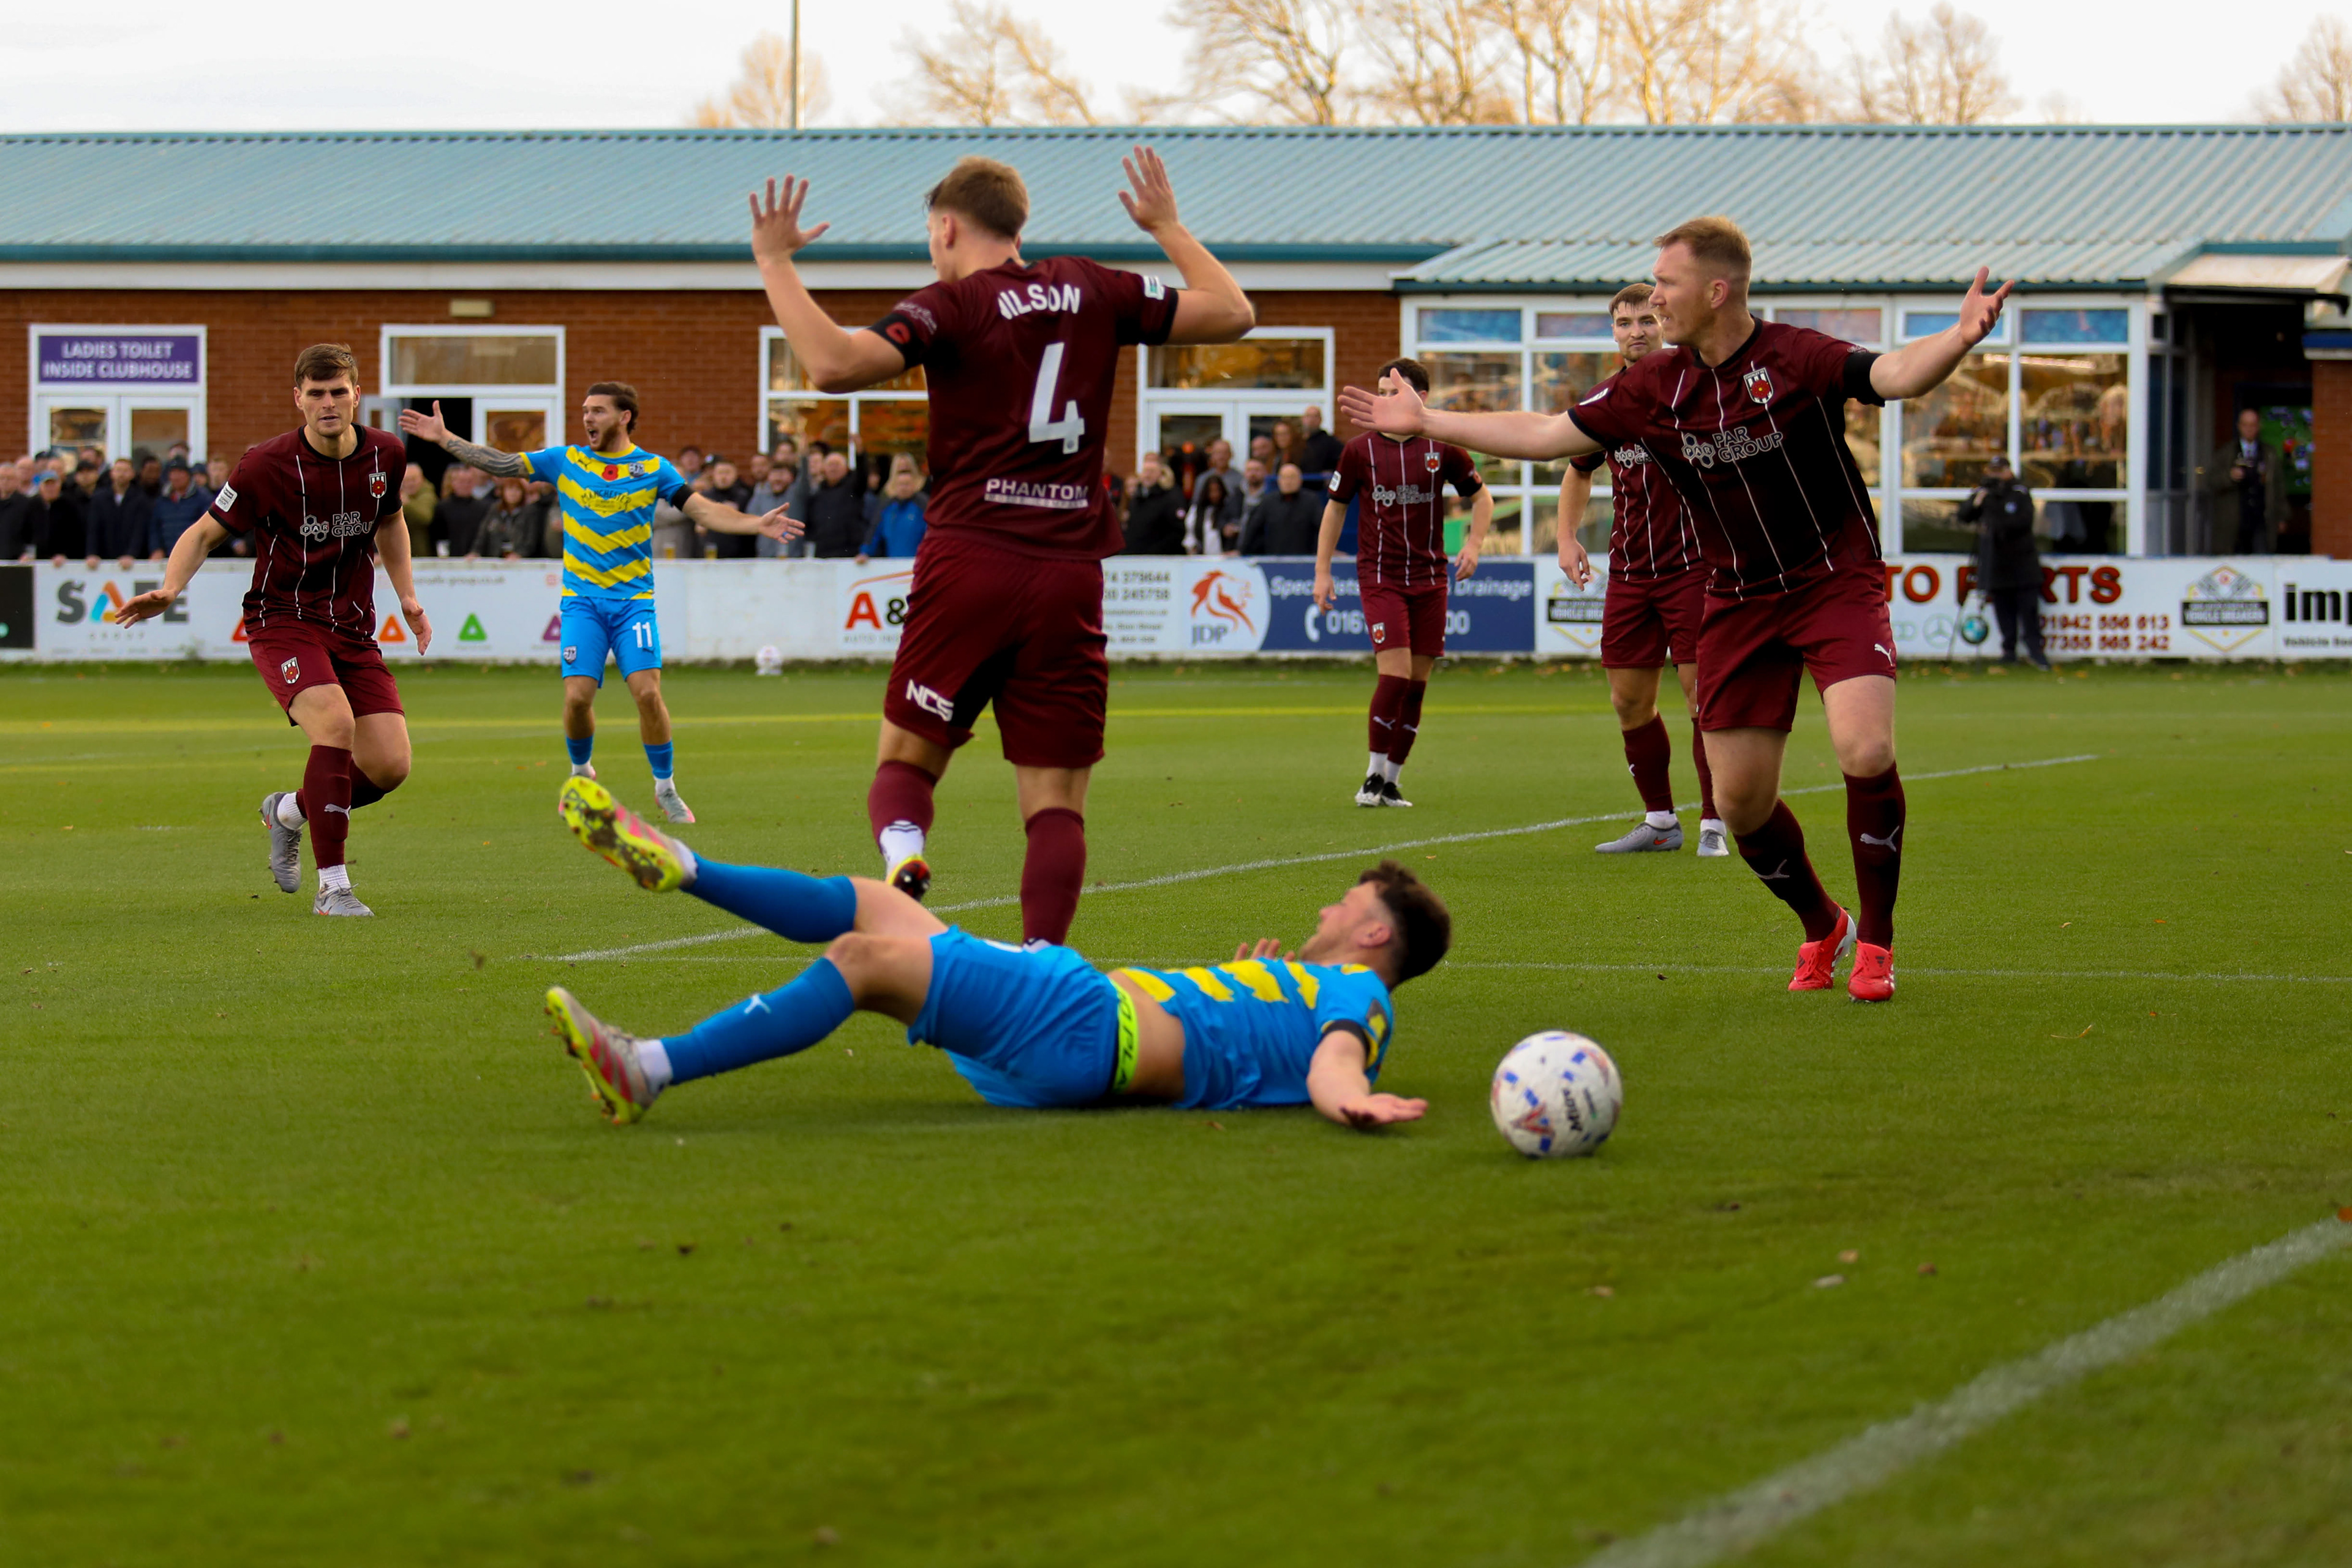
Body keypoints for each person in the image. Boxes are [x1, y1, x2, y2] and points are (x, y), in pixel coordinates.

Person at [1341, 215, 2011, 1003]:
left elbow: (1894, 374)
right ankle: (1822, 924)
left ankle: (1879, 943)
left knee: (1863, 748)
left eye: (1666, 284)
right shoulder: (1653, 384)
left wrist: (1960, 337)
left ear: (1716, 290)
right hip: (1733, 596)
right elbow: (1549, 431)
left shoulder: (1796, 356)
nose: (1652, 297)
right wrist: (1429, 420)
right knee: (1740, 802)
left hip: (1834, 579)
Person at [748, 146, 1254, 942]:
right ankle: (1042, 961)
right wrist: (1167, 226)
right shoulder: (1095, 288)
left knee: (906, 760)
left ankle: (905, 850)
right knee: (1055, 800)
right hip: (1068, 574)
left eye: (929, 234)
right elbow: (1233, 313)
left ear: (947, 227)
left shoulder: (954, 305)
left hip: (972, 559)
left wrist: (775, 262)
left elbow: (831, 363)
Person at [545, 776, 1446, 1129]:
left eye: (1349, 902)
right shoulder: (1313, 982)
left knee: (862, 959)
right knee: (871, 902)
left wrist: (1356, 1103)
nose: (1330, 905)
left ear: (1375, 936)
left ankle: (648, 1069)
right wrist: (1255, 983)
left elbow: (1336, 1060)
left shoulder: (1360, 1001)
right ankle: (684, 867)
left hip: (1089, 1025)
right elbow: (1280, 1041)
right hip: (1083, 1026)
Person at [115, 343, 432, 918]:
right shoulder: (264, 464)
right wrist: (170, 588)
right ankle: (333, 886)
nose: (328, 403)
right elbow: (204, 532)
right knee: (334, 724)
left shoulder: (388, 453)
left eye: (339, 391)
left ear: (357, 395)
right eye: (316, 394)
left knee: (389, 766)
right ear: (299, 399)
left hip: (352, 628)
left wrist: (407, 595)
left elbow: (392, 522)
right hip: (282, 621)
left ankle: (288, 811)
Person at [400, 382, 797, 824]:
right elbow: (505, 463)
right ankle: (581, 773)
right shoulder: (566, 460)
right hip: (582, 603)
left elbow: (702, 510)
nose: (588, 419)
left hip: (633, 603)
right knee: (577, 699)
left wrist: (754, 524)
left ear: (625, 416)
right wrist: (446, 439)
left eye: (598, 412)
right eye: (585, 411)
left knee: (647, 693)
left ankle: (665, 786)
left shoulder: (652, 468)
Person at [1559, 283, 1727, 858]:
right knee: (1630, 701)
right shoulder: (1606, 400)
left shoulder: (1700, 387)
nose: (1636, 330)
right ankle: (1660, 821)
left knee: (1704, 696)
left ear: (1665, 322)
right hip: (1630, 572)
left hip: (1695, 569)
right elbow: (1578, 469)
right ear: (1614, 332)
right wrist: (1566, 537)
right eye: (1624, 322)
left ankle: (1714, 822)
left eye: (1646, 320)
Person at [1316, 359, 1491, 809]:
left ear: (1421, 399)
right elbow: (1335, 508)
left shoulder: (1442, 446)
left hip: (1431, 579)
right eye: (1379, 391)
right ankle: (1372, 776)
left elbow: (1481, 496)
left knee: (1416, 685)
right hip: (1381, 576)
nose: (1383, 399)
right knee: (1393, 678)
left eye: (1392, 392)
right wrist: (1322, 572)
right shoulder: (1359, 450)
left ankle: (1392, 781)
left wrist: (1473, 546)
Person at [1958, 453, 2045, 668]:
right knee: (2003, 610)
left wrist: (1995, 514)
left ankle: (2036, 652)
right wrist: (1978, 502)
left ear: (2009, 471)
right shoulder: (1983, 492)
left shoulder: (2019, 492)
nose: (1997, 476)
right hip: (1995, 562)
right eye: (1993, 471)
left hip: (2022, 561)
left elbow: (2022, 522)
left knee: (2029, 610)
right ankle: (2009, 651)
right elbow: (1964, 516)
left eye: (2000, 471)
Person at [2206, 407, 2286, 555]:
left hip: (2261, 520)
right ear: (2239, 426)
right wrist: (2230, 477)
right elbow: (2211, 481)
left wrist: (2281, 516)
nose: (2249, 429)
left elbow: (2278, 486)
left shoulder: (2269, 454)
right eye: (2245, 425)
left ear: (2259, 427)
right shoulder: (2227, 452)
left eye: (2253, 425)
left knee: (2262, 562)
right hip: (2234, 523)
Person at [1238, 462, 1321, 555]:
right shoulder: (1269, 501)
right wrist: (1242, 551)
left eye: (1292, 477)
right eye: (1284, 477)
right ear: (1279, 481)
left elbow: (1322, 528)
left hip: (1304, 558)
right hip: (1274, 558)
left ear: (1300, 480)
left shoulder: (1311, 501)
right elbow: (1253, 529)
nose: (1288, 481)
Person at [797, 450, 869, 558]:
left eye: (837, 465)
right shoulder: (816, 494)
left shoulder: (854, 489)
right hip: (822, 554)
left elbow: (862, 475)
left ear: (846, 469)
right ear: (824, 469)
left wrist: (860, 454)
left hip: (849, 553)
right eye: (830, 465)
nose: (833, 468)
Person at [88, 456, 154, 564]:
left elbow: (139, 530)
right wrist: (92, 554)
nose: (121, 474)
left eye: (126, 471)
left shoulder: (140, 499)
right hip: (104, 559)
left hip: (131, 561)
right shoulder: (99, 498)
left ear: (132, 474)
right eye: (118, 470)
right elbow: (94, 529)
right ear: (112, 473)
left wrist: (131, 554)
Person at [1121, 451, 1187, 554]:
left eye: (1151, 472)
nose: (1147, 475)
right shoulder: (1137, 497)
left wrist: (1154, 551)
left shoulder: (1170, 496)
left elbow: (1177, 531)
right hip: (1136, 557)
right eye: (1145, 471)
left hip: (1160, 558)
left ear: (1160, 474)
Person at [859, 464, 929, 560]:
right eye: (901, 484)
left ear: (914, 485)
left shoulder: (923, 505)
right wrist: (865, 552)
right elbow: (874, 532)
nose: (904, 488)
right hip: (893, 565)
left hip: (920, 562)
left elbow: (931, 534)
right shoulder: (886, 507)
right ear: (895, 486)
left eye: (907, 484)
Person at [149, 459, 211, 554]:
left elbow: (207, 527)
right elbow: (155, 528)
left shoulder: (203, 498)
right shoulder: (162, 500)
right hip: (167, 557)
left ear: (188, 475)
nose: (176, 477)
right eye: (173, 473)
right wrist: (156, 549)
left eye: (180, 473)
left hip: (194, 556)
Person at [474, 475, 542, 560]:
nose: (513, 493)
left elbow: (531, 539)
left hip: (520, 561)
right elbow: (483, 534)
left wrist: (520, 554)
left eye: (517, 490)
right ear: (503, 492)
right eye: (510, 489)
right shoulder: (495, 510)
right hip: (495, 558)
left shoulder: (530, 512)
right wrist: (475, 552)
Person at [434, 466, 492, 558]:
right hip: (450, 560)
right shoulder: (442, 507)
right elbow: (439, 537)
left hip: (475, 559)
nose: (465, 485)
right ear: (453, 483)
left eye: (469, 482)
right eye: (461, 482)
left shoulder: (484, 508)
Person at [33, 470, 83, 560]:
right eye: (47, 485)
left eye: (53, 484)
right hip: (39, 561)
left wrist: (65, 554)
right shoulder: (33, 506)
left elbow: (77, 536)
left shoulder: (70, 506)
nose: (50, 488)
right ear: (40, 487)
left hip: (64, 562)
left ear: (59, 486)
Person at [1185, 473, 1236, 556]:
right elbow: (1190, 534)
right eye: (1211, 491)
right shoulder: (1197, 510)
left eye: (1217, 490)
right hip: (1201, 556)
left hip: (1225, 557)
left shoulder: (1229, 508)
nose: (1215, 495)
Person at [1298, 404, 1344, 476]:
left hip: (1319, 484)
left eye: (1315, 416)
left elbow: (1344, 460)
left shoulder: (1330, 442)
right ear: (1303, 419)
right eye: (1308, 416)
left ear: (1321, 420)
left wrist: (1332, 472)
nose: (1311, 420)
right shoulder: (1297, 441)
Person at [0, 462, 32, 559]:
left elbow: (32, 534)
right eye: (2, 478)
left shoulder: (26, 504)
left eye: (9, 478)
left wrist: (28, 554)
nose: (5, 482)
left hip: (17, 561)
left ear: (17, 481)